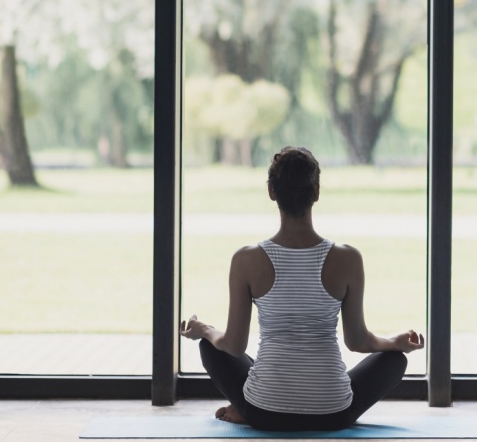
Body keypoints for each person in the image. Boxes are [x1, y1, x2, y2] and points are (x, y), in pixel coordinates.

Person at [179, 146, 424, 431]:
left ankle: (245, 407)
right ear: (316, 191)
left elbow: (234, 345)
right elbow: (357, 341)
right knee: (394, 361)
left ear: (272, 192)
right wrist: (395, 343)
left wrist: (203, 330)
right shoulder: (348, 258)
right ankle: (311, 400)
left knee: (211, 347)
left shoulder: (246, 259)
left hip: (263, 412)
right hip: (333, 415)